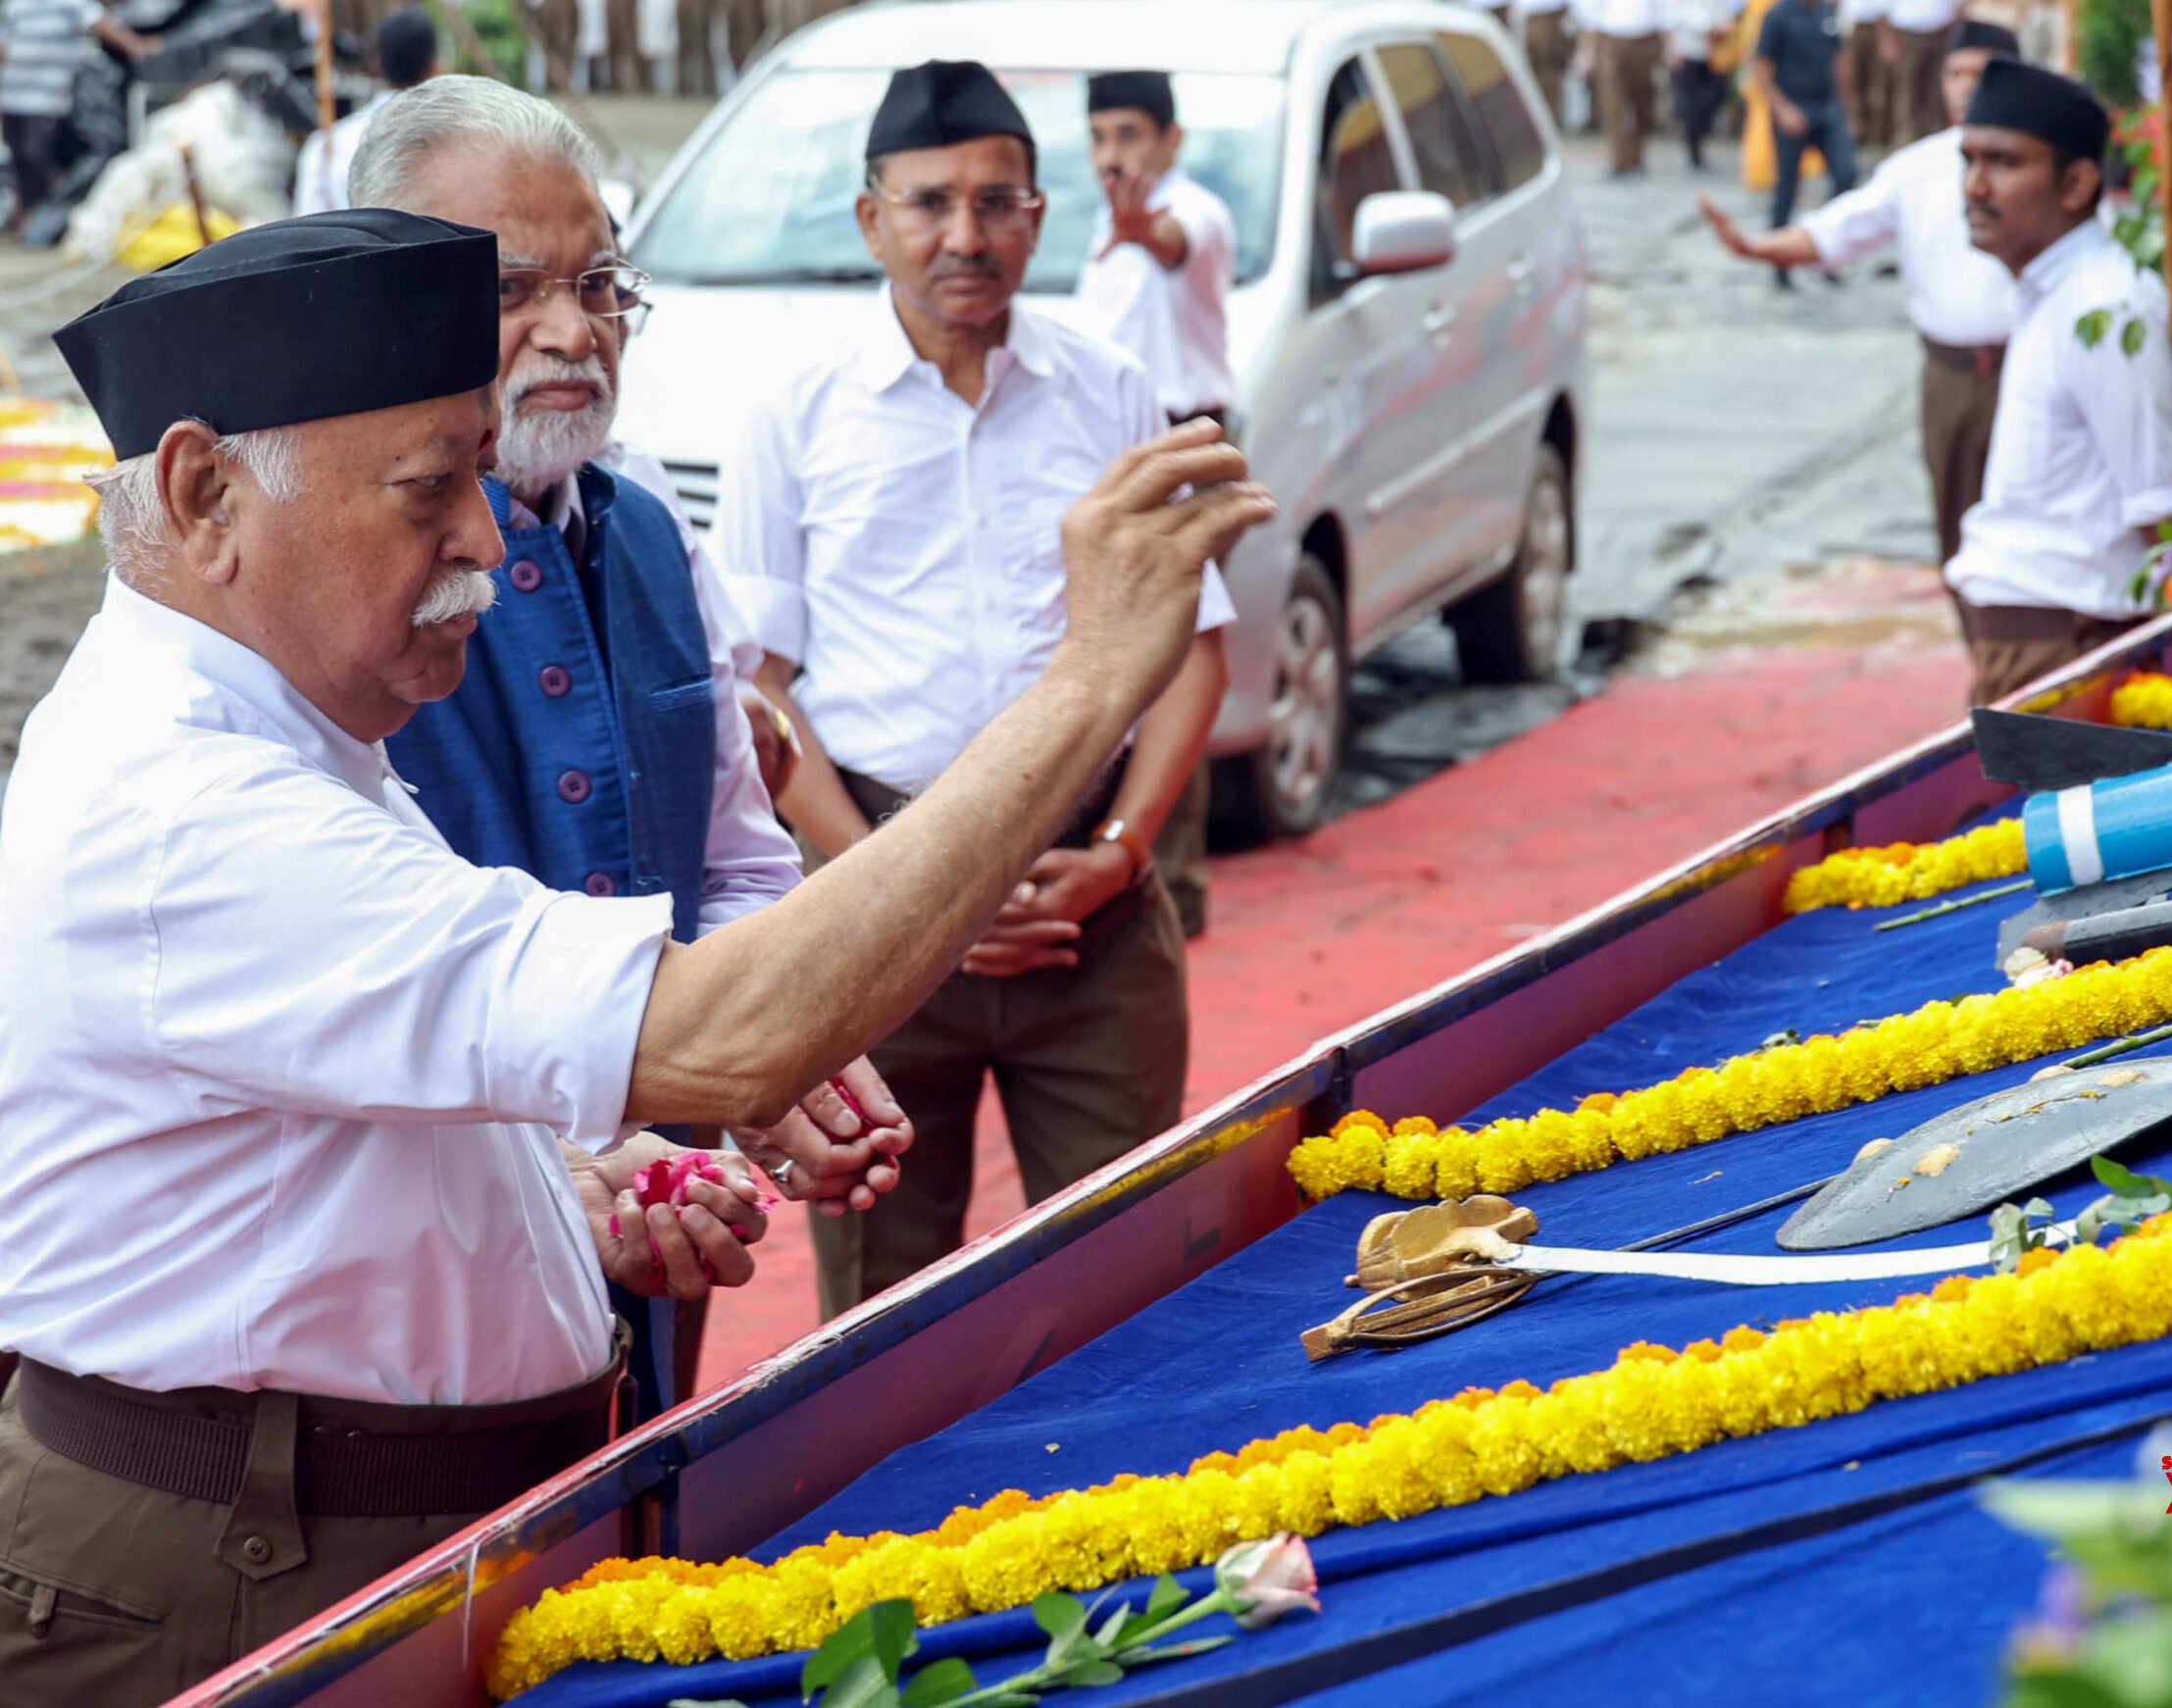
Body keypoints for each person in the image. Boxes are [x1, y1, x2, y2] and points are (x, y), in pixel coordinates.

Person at [0, 205, 1269, 1704]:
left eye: (482, 471)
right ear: (206, 490)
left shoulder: (283, 717)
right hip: (241, 1571)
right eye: (432, 487)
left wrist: (550, 1191)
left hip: (359, 1525)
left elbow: (290, 1156)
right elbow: (725, 1037)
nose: (484, 537)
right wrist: (1088, 682)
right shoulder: (187, 802)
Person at [349, 76, 899, 1417]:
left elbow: (733, 853)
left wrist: (781, 1057)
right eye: (512, 291)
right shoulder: (329, 580)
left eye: (598, 284)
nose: (572, 332)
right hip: (409, 1291)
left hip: (666, 1214)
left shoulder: (650, 527)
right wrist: (566, 1147)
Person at [710, 61, 1236, 1321]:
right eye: (931, 202)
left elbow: (1190, 649)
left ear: (1040, 217)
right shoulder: (796, 412)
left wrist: (1118, 848)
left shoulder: (1105, 386)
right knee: (885, 1312)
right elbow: (759, 699)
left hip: (1083, 913)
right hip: (877, 920)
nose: (965, 236)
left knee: (1126, 1273)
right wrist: (897, 876)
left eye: (998, 202)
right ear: (870, 218)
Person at [1699, 21, 2019, 568]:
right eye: (1955, 73)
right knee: (1961, 532)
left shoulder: (2046, 163)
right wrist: (1754, 247)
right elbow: (1837, 231)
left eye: (1981, 73)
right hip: (1953, 376)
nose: (1967, 87)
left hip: (2031, 364)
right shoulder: (1918, 169)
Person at [1948, 58, 2172, 702]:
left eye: (2005, 163)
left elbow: (2169, 510)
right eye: (1969, 160)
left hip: (2067, 650)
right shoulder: (2048, 289)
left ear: (2076, 184)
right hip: (2031, 643)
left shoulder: (2105, 308)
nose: (1975, 187)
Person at [1074, 69, 1234, 938]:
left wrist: (1145, 229)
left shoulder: (1195, 214)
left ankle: (1170, 880)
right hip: (1125, 451)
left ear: (1170, 140)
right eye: (1099, 138)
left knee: (1175, 660)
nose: (1112, 156)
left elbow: (1174, 241)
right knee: (1135, 664)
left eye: (1130, 136)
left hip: (1183, 443)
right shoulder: (1104, 227)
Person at [0, 0, 153, 233]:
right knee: (19, 161)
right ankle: (25, 222)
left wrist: (136, 46)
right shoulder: (16, 6)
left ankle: (42, 223)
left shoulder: (71, 2)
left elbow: (101, 24)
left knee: (39, 161)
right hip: (13, 96)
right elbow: (4, 45)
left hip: (48, 98)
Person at [294, 6, 437, 217]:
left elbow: (304, 230)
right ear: (434, 65)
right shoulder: (452, 142)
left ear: (377, 65)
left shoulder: (326, 146)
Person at [1753, 0, 1857, 285]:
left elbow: (1839, 60)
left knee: (1845, 175)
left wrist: (1847, 111)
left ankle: (1827, 253)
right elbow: (1761, 66)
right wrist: (1782, 108)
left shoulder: (1828, 12)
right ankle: (1780, 264)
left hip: (1827, 106)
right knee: (1787, 188)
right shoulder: (1777, 15)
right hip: (1793, 105)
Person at [1575, 0, 1668, 177]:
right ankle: (1618, 157)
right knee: (1612, 101)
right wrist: (1586, 50)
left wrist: (1669, 44)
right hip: (1610, 37)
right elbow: (1589, 13)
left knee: (1643, 100)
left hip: (1645, 37)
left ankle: (1636, 153)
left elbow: (1664, 10)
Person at [1666, 0, 1735, 169]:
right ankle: (1694, 150)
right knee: (1690, 104)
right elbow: (1673, 22)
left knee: (1717, 94)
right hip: (1688, 54)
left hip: (1713, 57)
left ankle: (1700, 128)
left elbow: (1725, 21)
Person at [1882, 0, 1961, 141]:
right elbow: (1885, 8)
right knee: (1908, 86)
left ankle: (1934, 133)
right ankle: (1906, 135)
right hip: (1909, 32)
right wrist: (1887, 39)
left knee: (1936, 87)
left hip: (1941, 31)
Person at [1839, 0, 1893, 144]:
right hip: (1852, 27)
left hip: (1879, 24)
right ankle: (1857, 132)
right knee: (1853, 83)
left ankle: (1877, 134)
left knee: (1878, 84)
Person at [1521, 0, 1577, 126]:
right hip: (1530, 13)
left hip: (1549, 12)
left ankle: (1551, 117)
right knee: (1535, 69)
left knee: (1549, 70)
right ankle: (1541, 116)